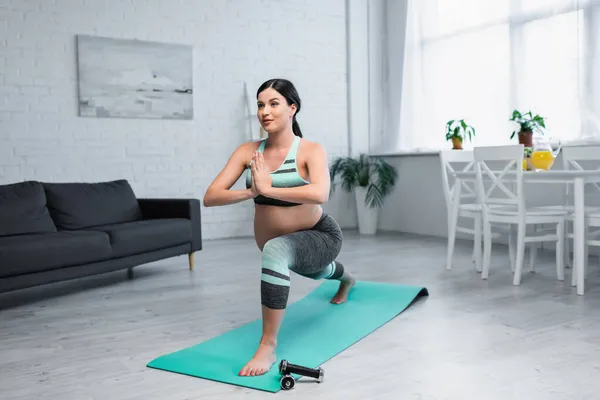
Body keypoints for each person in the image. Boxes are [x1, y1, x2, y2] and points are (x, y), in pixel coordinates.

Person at [203, 78, 355, 377]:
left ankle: (267, 345)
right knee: (319, 271)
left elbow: (320, 193)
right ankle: (347, 279)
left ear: (292, 109)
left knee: (278, 252)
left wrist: (269, 188)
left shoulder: (310, 150)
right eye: (260, 105)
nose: (265, 111)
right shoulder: (249, 151)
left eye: (274, 103)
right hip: (288, 246)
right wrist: (252, 192)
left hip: (320, 235)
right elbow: (211, 196)